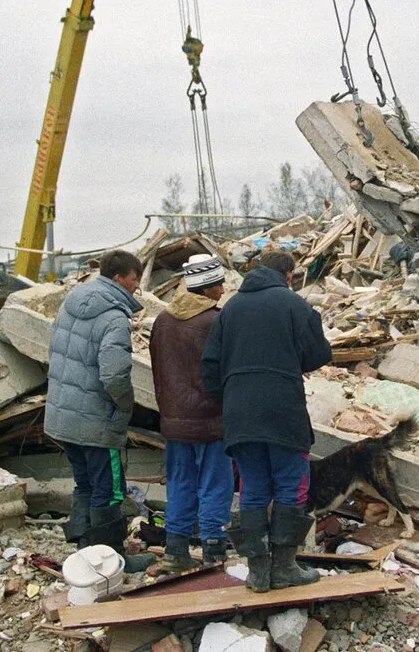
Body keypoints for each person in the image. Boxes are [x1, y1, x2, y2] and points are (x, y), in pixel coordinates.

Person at [201, 250, 332, 593]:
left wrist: (230, 399)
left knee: (253, 487)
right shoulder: (293, 304)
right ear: (287, 274)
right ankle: (285, 566)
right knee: (291, 484)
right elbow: (320, 352)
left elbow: (209, 366)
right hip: (283, 409)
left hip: (240, 414)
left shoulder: (229, 309)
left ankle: (258, 572)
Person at [44, 249, 153, 571]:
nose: (137, 286)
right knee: (110, 489)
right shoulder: (115, 317)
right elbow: (114, 375)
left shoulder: (72, 304)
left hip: (64, 417)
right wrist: (124, 406)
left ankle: (82, 547)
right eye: (134, 279)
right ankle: (110, 557)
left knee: (85, 483)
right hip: (97, 423)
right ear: (119, 278)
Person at [149, 253, 234, 569]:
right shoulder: (215, 322)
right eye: (219, 284)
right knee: (215, 483)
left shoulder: (162, 320)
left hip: (174, 421)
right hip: (211, 421)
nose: (224, 289)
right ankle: (213, 550)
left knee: (180, 481)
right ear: (207, 288)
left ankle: (176, 549)